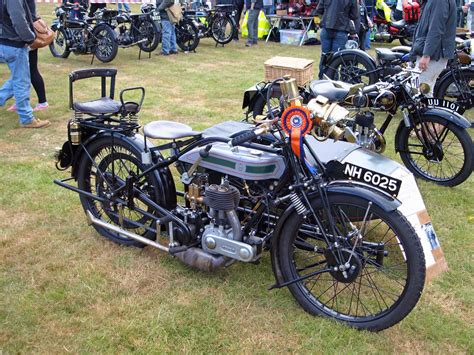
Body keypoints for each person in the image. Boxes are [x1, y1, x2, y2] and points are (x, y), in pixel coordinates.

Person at [0, 0, 50, 128]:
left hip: (6, 42)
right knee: (21, 81)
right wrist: (30, 38)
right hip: (14, 44)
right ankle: (27, 118)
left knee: (17, 79)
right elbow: (19, 20)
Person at [410, 0, 457, 96]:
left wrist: (427, 55)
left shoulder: (439, 1)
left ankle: (427, 110)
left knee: (422, 90)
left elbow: (436, 29)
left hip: (434, 54)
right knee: (422, 89)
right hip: (433, 52)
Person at [316, 0, 359, 78]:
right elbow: (354, 15)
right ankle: (333, 83)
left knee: (325, 57)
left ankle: (322, 80)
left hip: (327, 28)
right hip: (341, 30)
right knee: (335, 60)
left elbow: (319, 10)